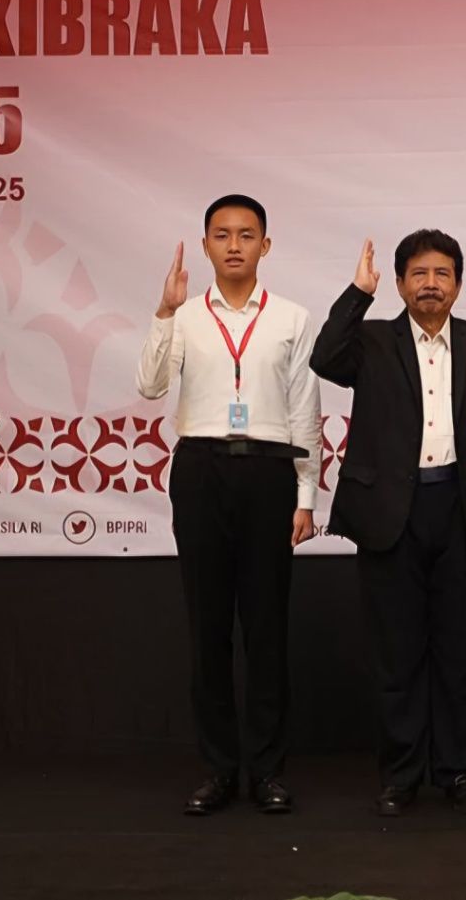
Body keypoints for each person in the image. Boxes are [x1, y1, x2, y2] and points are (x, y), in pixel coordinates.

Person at [309, 231, 466, 816]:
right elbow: (324, 358)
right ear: (400, 284)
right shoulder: (372, 341)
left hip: (462, 513)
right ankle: (400, 775)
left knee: (459, 654)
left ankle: (459, 772)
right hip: (390, 516)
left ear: (458, 284)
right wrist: (358, 293)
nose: (431, 283)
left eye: (442, 273)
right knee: (396, 655)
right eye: (419, 274)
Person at [135, 194, 321, 816]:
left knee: (266, 629)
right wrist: (164, 311)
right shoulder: (185, 316)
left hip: (269, 472)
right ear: (206, 245)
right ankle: (218, 769)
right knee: (207, 627)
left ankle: (267, 771)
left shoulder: (292, 318)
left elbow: (305, 409)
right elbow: (150, 385)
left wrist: (305, 495)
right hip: (201, 470)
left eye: (246, 234)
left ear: (265, 245)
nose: (234, 245)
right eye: (222, 234)